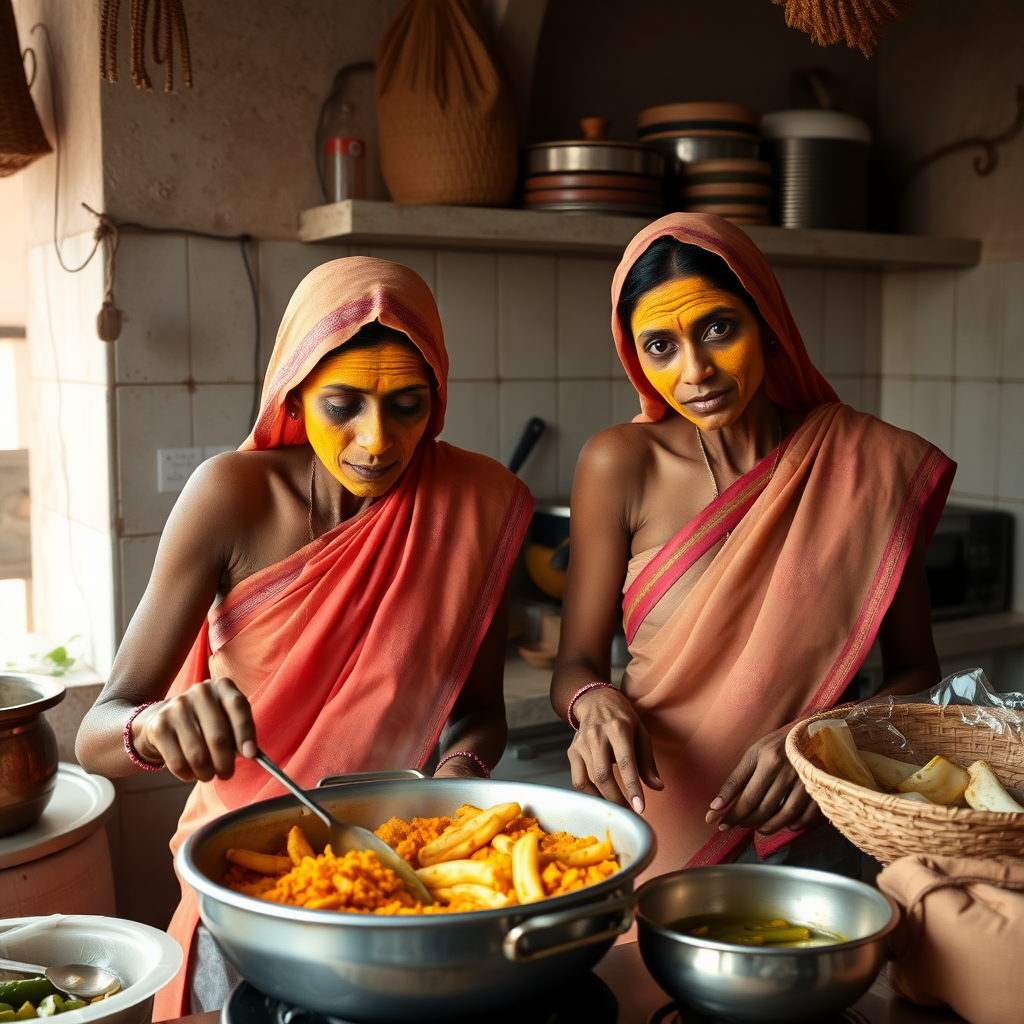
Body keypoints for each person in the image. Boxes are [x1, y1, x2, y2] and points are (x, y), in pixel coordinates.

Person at [76, 257, 532, 1017]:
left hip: (398, 881)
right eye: (343, 405)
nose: (377, 441)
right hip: (245, 891)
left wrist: (456, 784)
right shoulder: (233, 497)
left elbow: (481, 711)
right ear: (294, 395)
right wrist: (155, 724)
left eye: (408, 406)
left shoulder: (479, 506)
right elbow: (96, 734)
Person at [551, 213, 954, 879]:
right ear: (636, 358)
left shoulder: (863, 465)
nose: (696, 371)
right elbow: (576, 664)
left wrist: (822, 740)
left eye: (718, 328)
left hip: (818, 828)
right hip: (653, 822)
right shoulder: (619, 464)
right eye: (661, 347)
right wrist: (593, 704)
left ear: (768, 325)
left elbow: (917, 674)